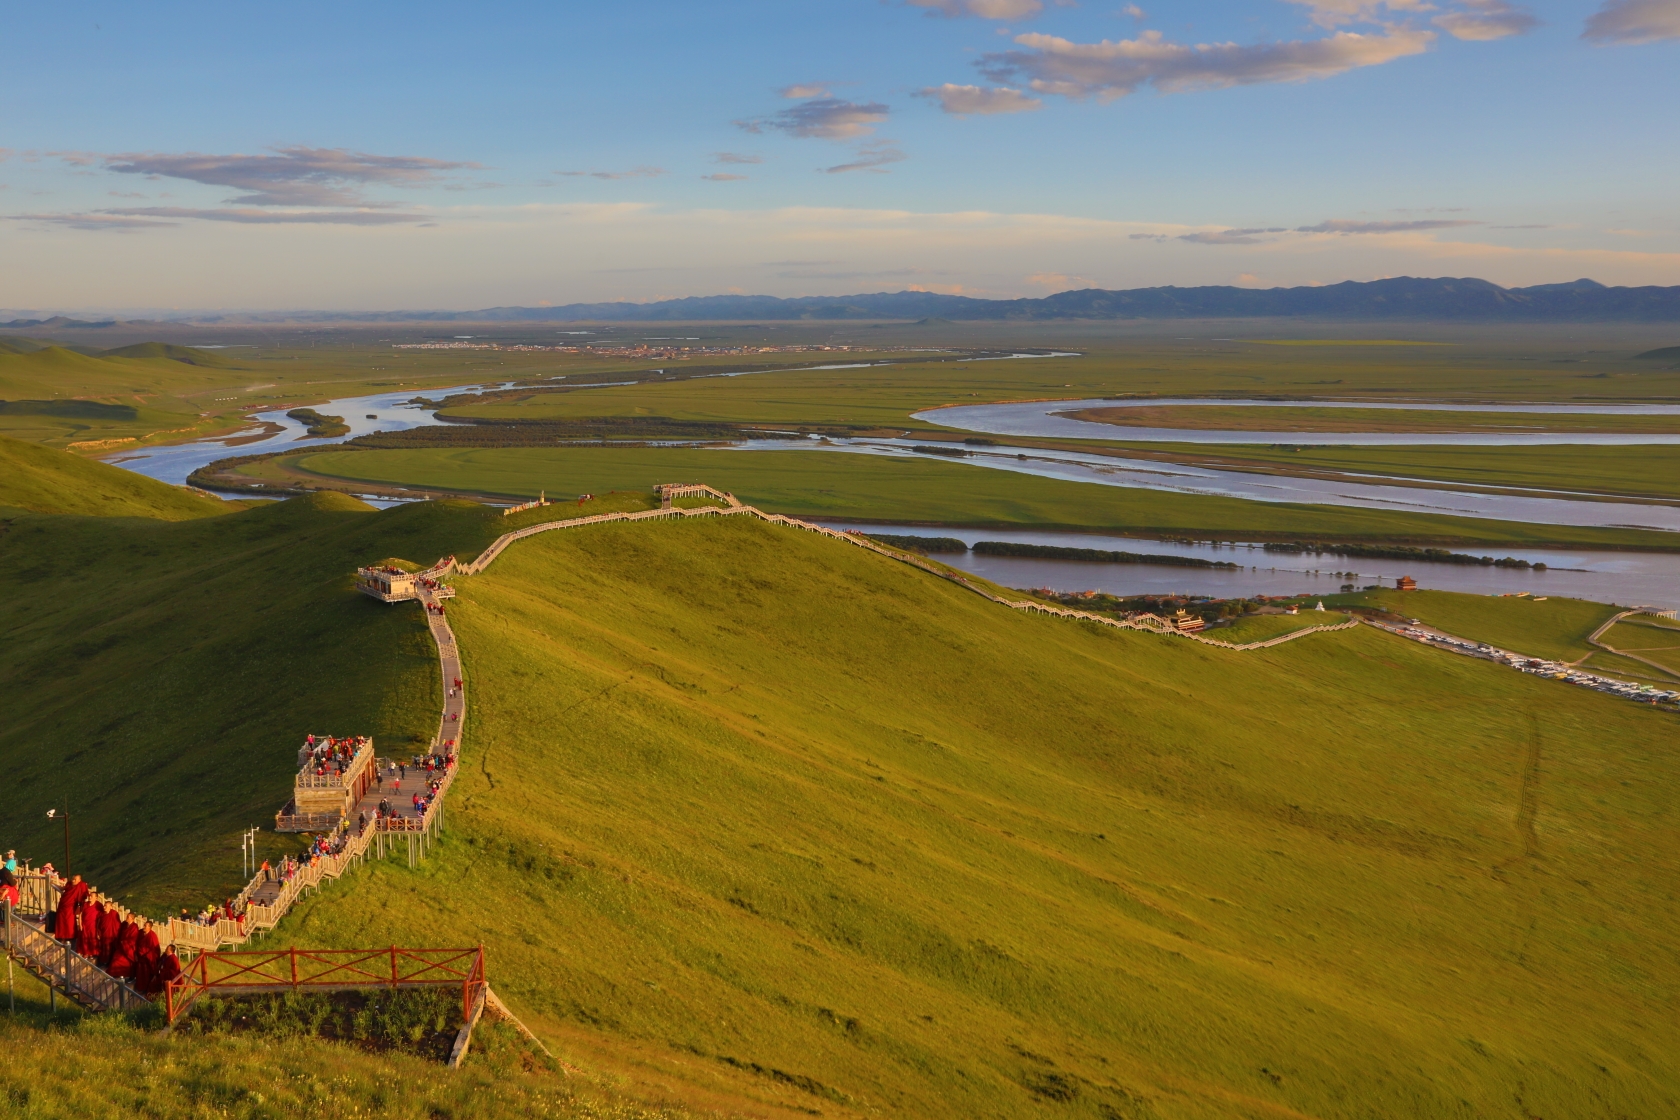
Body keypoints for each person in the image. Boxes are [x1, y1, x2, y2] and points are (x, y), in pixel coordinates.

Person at [53, 874, 88, 941]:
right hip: (63, 904)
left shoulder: (82, 885)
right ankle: (60, 936)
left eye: (75, 879)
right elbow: (62, 888)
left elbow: (84, 895)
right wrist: (53, 884)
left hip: (71, 906)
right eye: (73, 879)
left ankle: (70, 936)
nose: (73, 881)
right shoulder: (69, 883)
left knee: (70, 921)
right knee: (61, 920)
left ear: (79, 880)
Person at [133, 923, 161, 994]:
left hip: (147, 958)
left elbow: (155, 948)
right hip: (140, 957)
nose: (144, 927)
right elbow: (137, 943)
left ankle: (146, 989)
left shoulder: (152, 935)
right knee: (140, 973)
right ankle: (140, 988)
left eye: (145, 926)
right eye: (144, 925)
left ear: (150, 927)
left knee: (147, 974)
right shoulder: (141, 933)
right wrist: (137, 953)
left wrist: (147, 954)